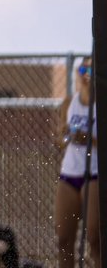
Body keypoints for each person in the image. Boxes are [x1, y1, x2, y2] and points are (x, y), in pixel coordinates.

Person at [55, 55, 98, 268]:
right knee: (64, 239)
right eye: (84, 71)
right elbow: (60, 140)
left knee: (94, 239)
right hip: (70, 173)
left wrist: (89, 139)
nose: (87, 76)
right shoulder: (69, 103)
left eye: (92, 71)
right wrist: (65, 136)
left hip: (94, 174)